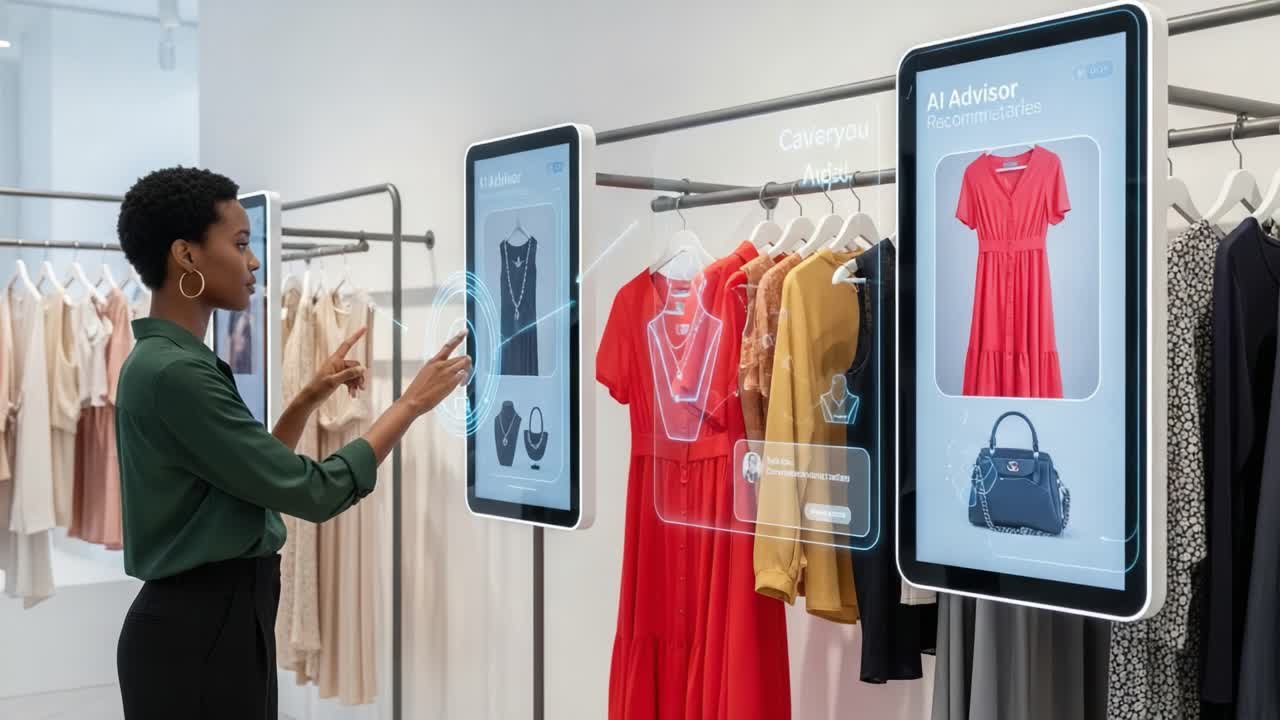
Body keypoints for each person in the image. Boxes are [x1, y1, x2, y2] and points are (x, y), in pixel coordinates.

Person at [112, 167, 470, 719]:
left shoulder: (174, 364)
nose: (254, 262)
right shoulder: (173, 374)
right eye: (239, 244)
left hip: (214, 627)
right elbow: (312, 492)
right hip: (199, 635)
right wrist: (409, 405)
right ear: (186, 256)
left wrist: (305, 400)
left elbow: (247, 483)